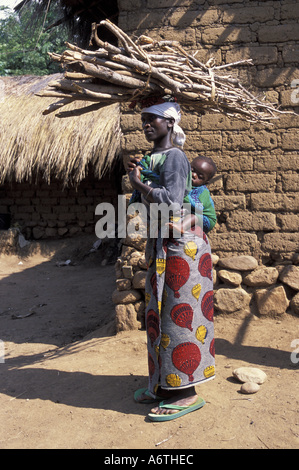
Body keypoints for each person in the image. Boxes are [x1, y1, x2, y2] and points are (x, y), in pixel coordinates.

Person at [127, 96, 215, 421]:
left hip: (182, 247)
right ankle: (165, 384)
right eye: (143, 121)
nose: (147, 125)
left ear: (170, 123)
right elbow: (144, 201)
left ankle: (187, 392)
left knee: (180, 314)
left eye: (153, 119)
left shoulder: (176, 156)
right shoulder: (155, 157)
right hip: (162, 243)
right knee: (158, 313)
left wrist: (141, 183)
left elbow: (174, 201)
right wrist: (138, 179)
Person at [167, 155, 217, 236]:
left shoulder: (202, 191)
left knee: (192, 216)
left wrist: (179, 193)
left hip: (205, 218)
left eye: (199, 176)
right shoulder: (183, 181)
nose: (194, 175)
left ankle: (182, 227)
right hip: (192, 212)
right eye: (192, 170)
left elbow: (197, 206)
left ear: (205, 182)